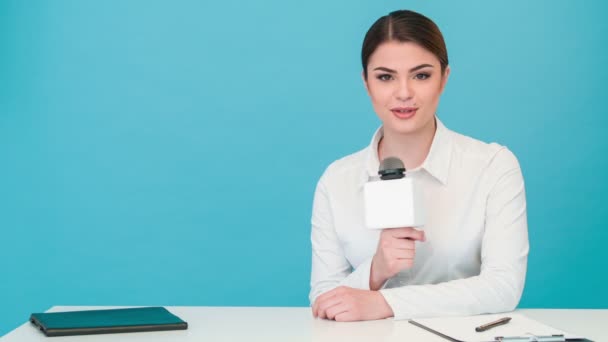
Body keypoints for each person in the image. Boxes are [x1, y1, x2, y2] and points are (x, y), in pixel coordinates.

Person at [309, 10, 529, 322]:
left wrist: (385, 302)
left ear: (444, 78)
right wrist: (375, 271)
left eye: (421, 75)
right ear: (366, 83)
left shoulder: (493, 167)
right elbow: (325, 299)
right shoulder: (336, 181)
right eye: (385, 77)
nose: (404, 93)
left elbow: (503, 287)